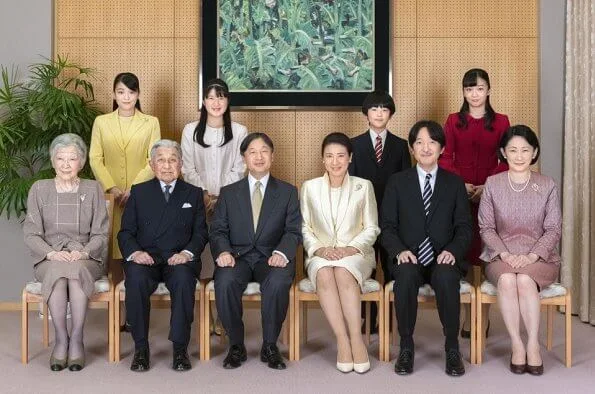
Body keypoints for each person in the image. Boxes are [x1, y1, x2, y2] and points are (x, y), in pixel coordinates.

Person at [380, 120, 472, 376]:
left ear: (442, 148)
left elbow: (464, 228)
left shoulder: (454, 183)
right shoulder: (397, 182)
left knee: (445, 277)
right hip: (409, 254)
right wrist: (399, 251)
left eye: (432, 142)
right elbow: (387, 226)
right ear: (411, 149)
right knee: (406, 275)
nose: (426, 147)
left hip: (444, 255)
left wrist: (452, 251)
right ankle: (406, 346)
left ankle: (452, 347)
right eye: (419, 142)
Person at [210, 132, 302, 370]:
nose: (259, 157)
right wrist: (223, 252)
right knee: (225, 281)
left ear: (272, 156)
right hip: (237, 257)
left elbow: (293, 231)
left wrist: (282, 254)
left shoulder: (288, 191)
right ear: (244, 158)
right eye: (253, 152)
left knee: (279, 281)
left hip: (271, 257)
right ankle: (236, 345)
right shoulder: (229, 192)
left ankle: (270, 345)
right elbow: (218, 229)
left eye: (264, 151)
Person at [117, 140, 208, 372]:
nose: (167, 166)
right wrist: (136, 253)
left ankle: (180, 348)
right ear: (151, 164)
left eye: (172, 160)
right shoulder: (139, 192)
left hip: (179, 258)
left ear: (181, 164)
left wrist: (187, 253)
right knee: (135, 280)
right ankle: (141, 348)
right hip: (145, 258)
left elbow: (200, 232)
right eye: (161, 160)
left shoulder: (194, 193)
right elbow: (125, 232)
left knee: (184, 281)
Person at [478, 125, 560, 376]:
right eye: (512, 150)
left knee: (524, 280)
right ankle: (516, 344)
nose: (519, 155)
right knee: (506, 280)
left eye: (525, 150)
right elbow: (486, 227)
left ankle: (533, 344)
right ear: (503, 152)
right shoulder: (493, 184)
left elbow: (553, 229)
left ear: (534, 152)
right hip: (500, 256)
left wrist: (531, 256)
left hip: (540, 257)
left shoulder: (547, 185)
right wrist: (505, 254)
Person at [24, 133, 108, 371]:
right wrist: (50, 253)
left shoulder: (93, 189)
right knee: (60, 274)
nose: (66, 164)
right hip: (50, 257)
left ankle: (78, 338)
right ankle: (62, 340)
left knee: (75, 270)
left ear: (81, 162)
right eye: (61, 158)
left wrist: (83, 252)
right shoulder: (39, 189)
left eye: (72, 159)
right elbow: (31, 233)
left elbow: (100, 234)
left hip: (85, 257)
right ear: (53, 161)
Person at [439, 68, 510, 338]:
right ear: (464, 92)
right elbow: (444, 157)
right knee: (463, 255)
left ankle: (482, 318)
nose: (475, 94)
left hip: (492, 195)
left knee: (486, 254)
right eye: (469, 89)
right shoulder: (454, 121)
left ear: (489, 90)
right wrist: (463, 185)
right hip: (459, 195)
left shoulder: (501, 122)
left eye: (479, 88)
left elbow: (505, 158)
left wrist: (486, 186)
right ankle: (465, 314)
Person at [301, 132, 380, 373]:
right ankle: (342, 340)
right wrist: (320, 249)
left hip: (357, 253)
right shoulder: (310, 187)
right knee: (325, 274)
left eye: (341, 156)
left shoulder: (363, 186)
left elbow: (372, 227)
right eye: (329, 156)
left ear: (350, 158)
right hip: (320, 253)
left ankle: (356, 339)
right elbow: (305, 227)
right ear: (322, 159)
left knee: (344, 273)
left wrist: (349, 249)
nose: (335, 162)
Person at [180, 78, 247, 335]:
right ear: (203, 101)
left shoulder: (239, 131)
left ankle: (223, 316)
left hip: (230, 202)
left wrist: (220, 197)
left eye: (221, 97)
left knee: (226, 256)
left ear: (227, 101)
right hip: (197, 201)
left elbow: (240, 167)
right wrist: (205, 195)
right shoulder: (190, 130)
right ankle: (205, 316)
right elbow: (187, 167)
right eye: (211, 97)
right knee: (203, 257)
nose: (216, 102)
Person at [349, 90, 411, 331]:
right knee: (367, 267)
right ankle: (368, 318)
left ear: (391, 114)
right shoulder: (354, 144)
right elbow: (351, 183)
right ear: (366, 114)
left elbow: (406, 185)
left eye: (384, 109)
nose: (379, 113)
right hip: (363, 219)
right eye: (374, 109)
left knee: (391, 266)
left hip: (390, 219)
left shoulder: (401, 145)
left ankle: (390, 318)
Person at [90, 72, 161, 260]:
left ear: (138, 94)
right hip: (110, 195)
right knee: (109, 244)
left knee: (140, 246)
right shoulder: (101, 122)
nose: (126, 97)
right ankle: (113, 286)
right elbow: (95, 158)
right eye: (121, 92)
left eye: (131, 92)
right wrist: (111, 187)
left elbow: (153, 159)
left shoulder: (151, 122)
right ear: (114, 95)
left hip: (142, 194)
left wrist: (134, 189)